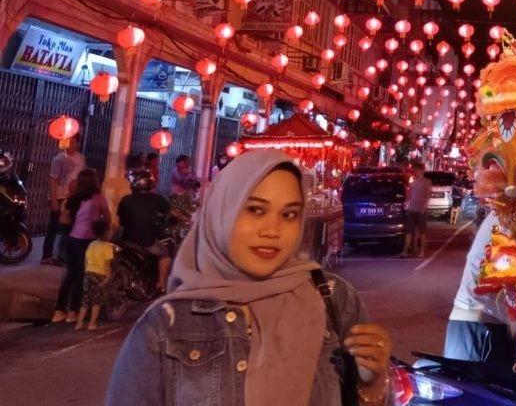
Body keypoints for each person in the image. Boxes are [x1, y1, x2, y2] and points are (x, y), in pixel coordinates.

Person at [106, 149, 393, 406]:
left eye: (289, 214)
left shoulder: (334, 299)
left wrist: (373, 385)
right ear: (222, 210)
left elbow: (368, 394)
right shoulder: (165, 326)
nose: (272, 230)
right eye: (255, 210)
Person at [443, 210, 514, 364]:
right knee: (466, 379)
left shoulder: (513, 214)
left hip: (491, 323)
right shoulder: (509, 215)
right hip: (479, 323)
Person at [52, 168, 110, 323]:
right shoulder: (99, 198)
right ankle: (73, 312)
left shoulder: (73, 199)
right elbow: (108, 218)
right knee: (81, 276)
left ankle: (59, 311)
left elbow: (63, 220)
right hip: (88, 241)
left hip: (72, 239)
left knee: (70, 275)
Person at [116, 169, 174, 292]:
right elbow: (173, 212)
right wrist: (185, 218)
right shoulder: (157, 199)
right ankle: (161, 283)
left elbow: (121, 222)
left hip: (127, 240)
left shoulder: (125, 199)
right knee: (165, 255)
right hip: (146, 241)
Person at [42, 137, 84, 266]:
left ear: (78, 143)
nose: (71, 145)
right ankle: (47, 255)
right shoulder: (59, 159)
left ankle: (63, 255)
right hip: (59, 196)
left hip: (73, 197)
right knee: (54, 226)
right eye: (68, 142)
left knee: (70, 227)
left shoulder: (81, 158)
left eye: (73, 142)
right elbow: (52, 179)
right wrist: (53, 200)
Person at [78, 217, 117, 331]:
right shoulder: (107, 247)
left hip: (88, 274)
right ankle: (92, 323)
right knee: (96, 302)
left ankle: (79, 323)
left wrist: (87, 271)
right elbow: (107, 265)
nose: (112, 232)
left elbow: (86, 260)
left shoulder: (92, 244)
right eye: (110, 230)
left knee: (85, 301)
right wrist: (108, 278)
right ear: (106, 233)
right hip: (99, 275)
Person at [405, 162, 432, 256]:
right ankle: (405, 250)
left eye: (416, 170)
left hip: (421, 210)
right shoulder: (412, 183)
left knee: (422, 232)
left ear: (421, 171)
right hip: (412, 209)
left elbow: (427, 196)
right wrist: (408, 206)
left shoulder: (427, 182)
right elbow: (409, 196)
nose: (415, 172)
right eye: (414, 170)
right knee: (409, 231)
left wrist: (424, 208)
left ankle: (422, 251)